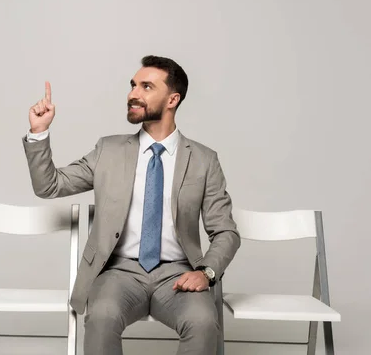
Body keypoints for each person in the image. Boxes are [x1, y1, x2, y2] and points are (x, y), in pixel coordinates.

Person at [22, 55, 240, 355]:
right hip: (118, 272)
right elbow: (49, 185)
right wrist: (39, 132)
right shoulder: (107, 150)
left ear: (172, 99)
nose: (133, 94)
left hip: (178, 273)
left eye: (146, 87)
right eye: (133, 85)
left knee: (203, 323)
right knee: (101, 317)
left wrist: (207, 273)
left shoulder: (204, 160)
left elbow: (226, 231)